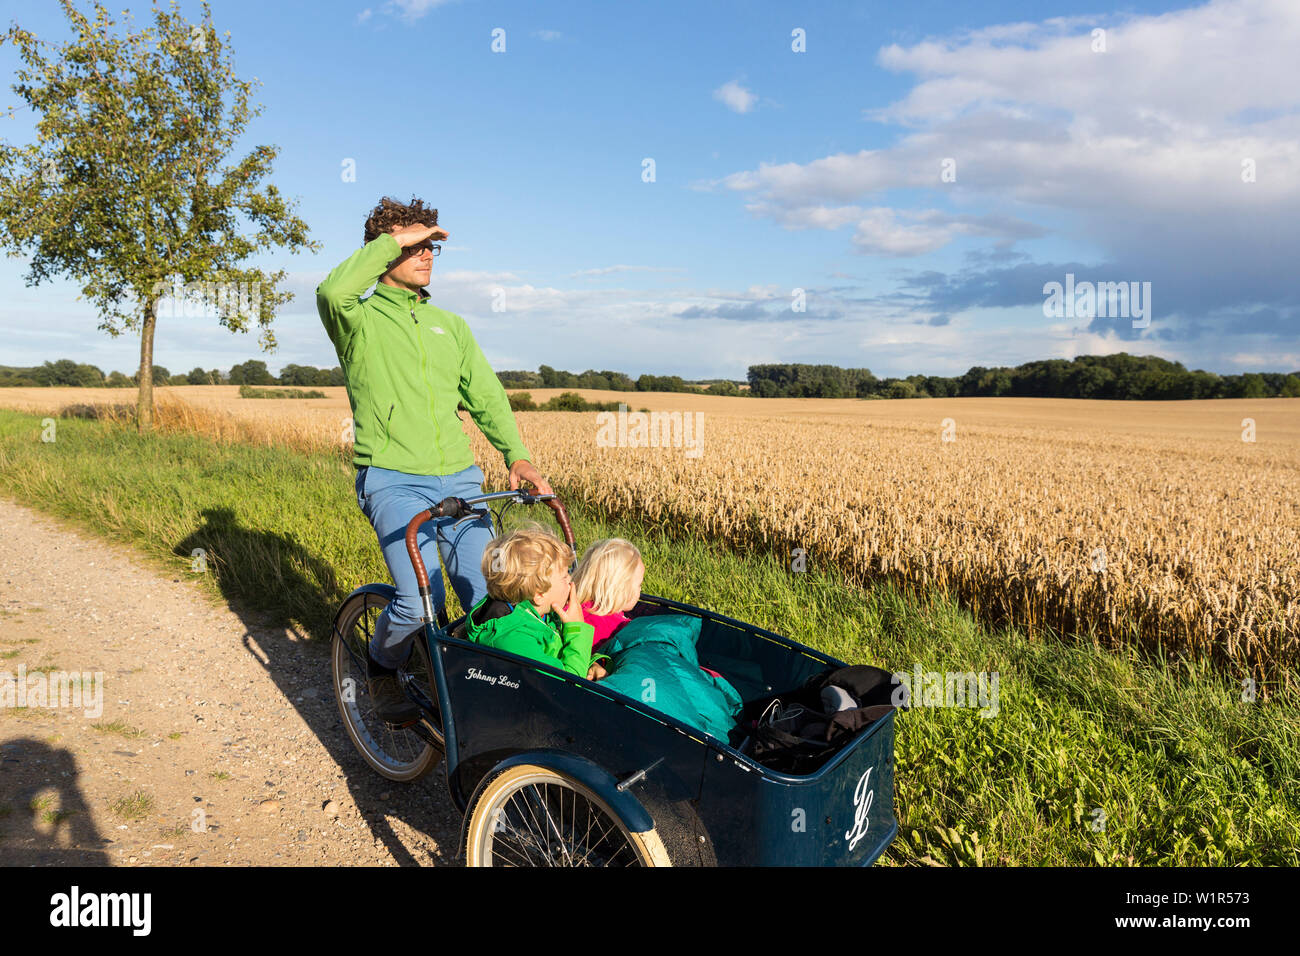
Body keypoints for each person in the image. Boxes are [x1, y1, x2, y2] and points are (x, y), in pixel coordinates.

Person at [317, 196, 552, 725]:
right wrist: (390, 242)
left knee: (487, 595)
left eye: (430, 246)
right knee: (421, 600)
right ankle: (382, 669)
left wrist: (518, 458)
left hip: (461, 478)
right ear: (383, 251)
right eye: (413, 245)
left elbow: (487, 396)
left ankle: (472, 700)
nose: (425, 254)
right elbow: (332, 288)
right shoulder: (356, 317)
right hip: (392, 479)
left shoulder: (451, 325)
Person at [464, 525, 611, 679]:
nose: (570, 580)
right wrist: (577, 629)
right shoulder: (513, 640)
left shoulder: (540, 613)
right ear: (539, 594)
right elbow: (569, 684)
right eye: (564, 576)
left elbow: (558, 654)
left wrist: (590, 664)